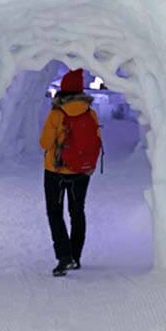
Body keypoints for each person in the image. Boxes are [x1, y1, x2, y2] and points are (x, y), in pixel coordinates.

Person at [39, 68, 103, 277]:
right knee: (77, 213)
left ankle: (64, 257)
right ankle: (75, 257)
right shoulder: (89, 113)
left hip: (55, 171)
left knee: (55, 213)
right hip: (81, 172)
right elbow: (96, 140)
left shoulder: (57, 113)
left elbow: (44, 143)